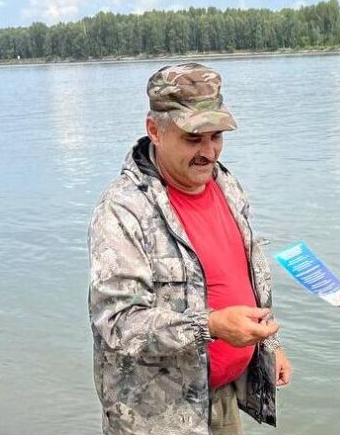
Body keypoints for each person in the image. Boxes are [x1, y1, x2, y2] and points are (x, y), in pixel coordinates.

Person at [88, 63, 291, 435]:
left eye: (216, 137)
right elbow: (118, 323)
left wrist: (269, 344)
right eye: (193, 138)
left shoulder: (226, 185)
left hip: (223, 397)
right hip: (159, 417)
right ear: (155, 130)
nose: (209, 152)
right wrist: (210, 326)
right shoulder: (123, 208)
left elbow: (246, 275)